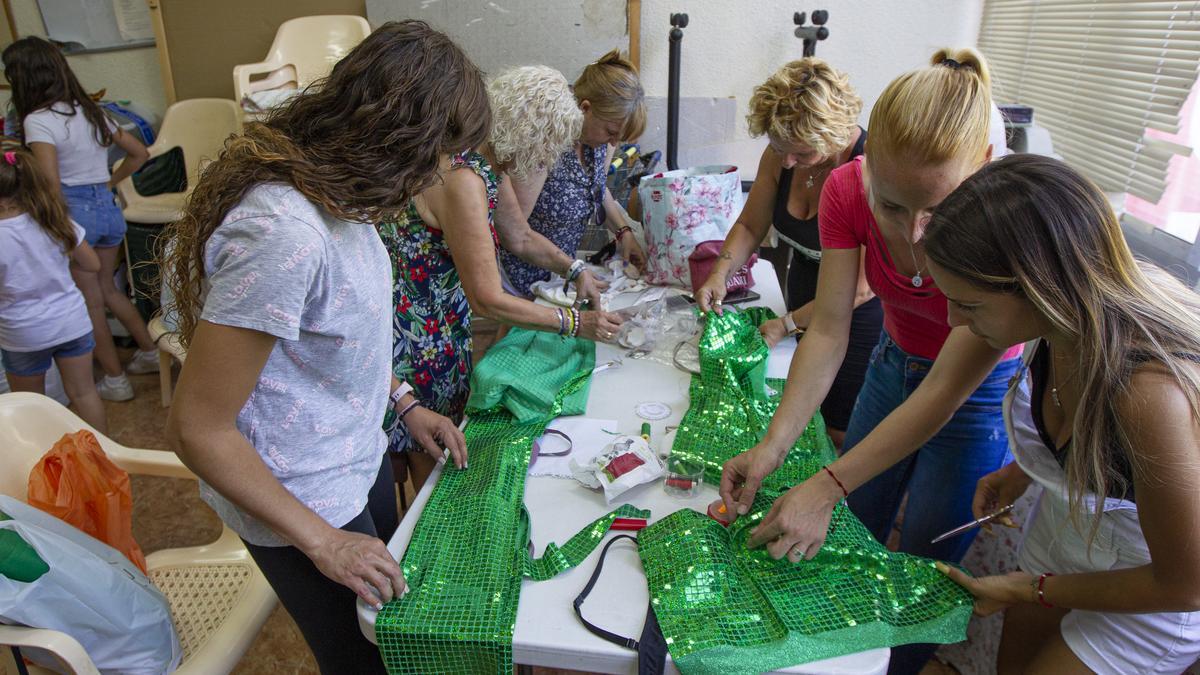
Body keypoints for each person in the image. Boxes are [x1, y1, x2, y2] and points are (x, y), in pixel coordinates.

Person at [161, 22, 475, 673]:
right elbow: (198, 427)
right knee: (368, 661)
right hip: (299, 497)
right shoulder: (283, 231)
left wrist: (405, 400)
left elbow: (338, 338)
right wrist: (325, 543)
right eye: (440, 153)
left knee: (399, 640)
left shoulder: (347, 199)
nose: (446, 171)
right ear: (396, 140)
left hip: (353, 460)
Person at [924, 155, 1200, 675]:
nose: (952, 320)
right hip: (1070, 535)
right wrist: (1025, 471)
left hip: (1158, 589)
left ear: (1039, 287)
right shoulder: (1057, 328)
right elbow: (1097, 452)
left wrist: (1031, 587)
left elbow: (1185, 583)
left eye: (970, 306)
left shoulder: (1147, 393)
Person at [380, 64, 624, 490]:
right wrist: (573, 323)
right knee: (427, 457)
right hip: (416, 333)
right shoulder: (462, 178)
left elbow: (521, 236)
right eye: (549, 148)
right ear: (529, 135)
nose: (548, 161)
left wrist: (576, 268)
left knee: (434, 442)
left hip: (441, 323)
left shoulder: (485, 165)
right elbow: (488, 299)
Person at [694, 58, 880, 447]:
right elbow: (749, 225)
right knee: (797, 414)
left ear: (831, 134)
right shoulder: (782, 157)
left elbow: (861, 288)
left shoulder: (869, 171)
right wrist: (719, 273)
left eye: (800, 153)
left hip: (858, 314)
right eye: (781, 150)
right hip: (804, 295)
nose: (788, 162)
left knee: (837, 428)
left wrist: (787, 323)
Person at [3, 37, 155, 402]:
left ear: (23, 77)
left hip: (73, 211)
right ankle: (149, 351)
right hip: (107, 205)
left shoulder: (38, 120)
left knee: (89, 300)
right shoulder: (89, 110)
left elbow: (49, 184)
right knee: (108, 290)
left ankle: (115, 379)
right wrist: (109, 183)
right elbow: (139, 153)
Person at [496, 50, 647, 299]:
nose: (613, 143)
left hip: (558, 273)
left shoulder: (600, 143)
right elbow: (516, 235)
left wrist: (624, 232)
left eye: (618, 138)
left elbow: (597, 189)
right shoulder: (545, 145)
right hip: (521, 277)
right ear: (585, 109)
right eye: (611, 132)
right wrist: (573, 269)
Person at [0, 147, 106, 432]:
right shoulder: (54, 221)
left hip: (23, 332)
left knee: (31, 405)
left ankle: (46, 468)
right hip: (71, 321)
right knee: (85, 394)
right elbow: (92, 264)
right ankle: (105, 463)